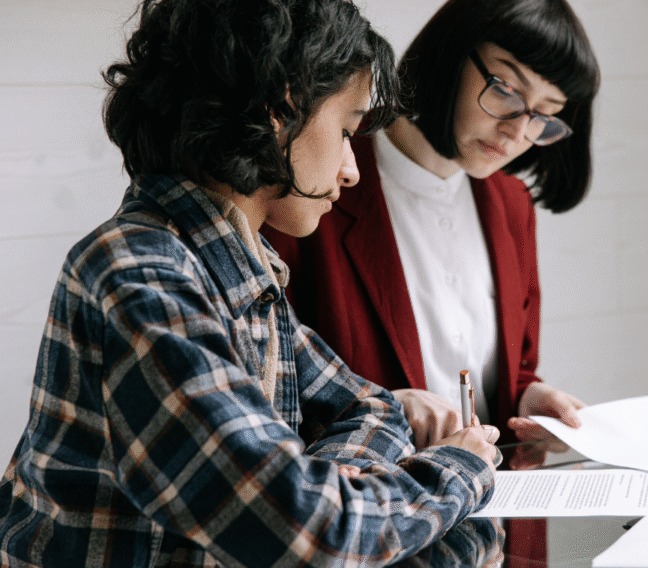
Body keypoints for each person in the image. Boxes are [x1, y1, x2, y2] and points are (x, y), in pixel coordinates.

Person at [0, 0, 502, 566]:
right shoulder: (140, 276)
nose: (351, 167)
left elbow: (375, 408)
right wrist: (458, 468)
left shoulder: (244, 268)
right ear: (277, 113)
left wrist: (325, 479)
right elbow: (309, 537)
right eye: (344, 131)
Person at [262, 0, 600, 563]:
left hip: (494, 529)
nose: (517, 130)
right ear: (449, 54)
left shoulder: (511, 205)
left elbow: (507, 367)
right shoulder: (320, 182)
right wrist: (391, 412)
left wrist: (528, 397)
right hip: (379, 535)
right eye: (507, 91)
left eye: (544, 114)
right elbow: (276, 390)